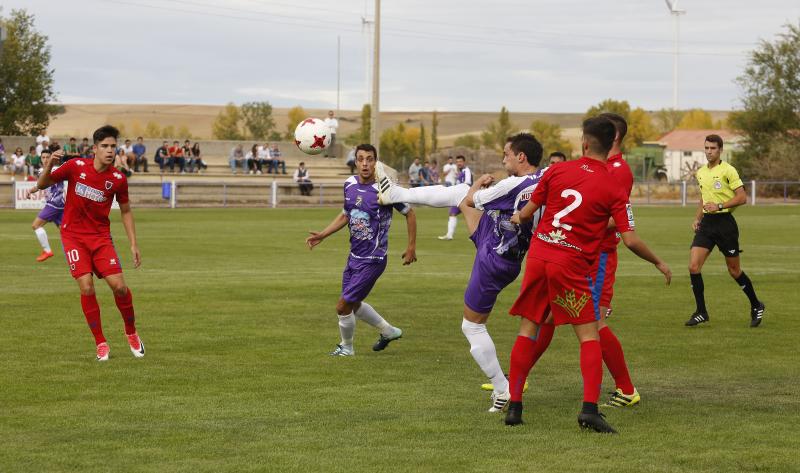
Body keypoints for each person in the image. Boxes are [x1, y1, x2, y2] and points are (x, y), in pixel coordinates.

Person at [504, 117, 671, 433]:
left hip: (540, 256)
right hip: (571, 262)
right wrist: (659, 262)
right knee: (589, 334)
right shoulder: (613, 184)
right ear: (611, 146)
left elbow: (527, 213)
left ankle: (514, 406)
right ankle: (589, 410)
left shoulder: (557, 170)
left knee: (529, 327)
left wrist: (517, 217)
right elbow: (630, 238)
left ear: (584, 143)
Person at [377, 133, 546, 412]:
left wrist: (478, 185)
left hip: (494, 256)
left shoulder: (513, 185)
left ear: (521, 157)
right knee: (458, 191)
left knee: (472, 326)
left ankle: (502, 389)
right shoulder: (542, 180)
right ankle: (395, 194)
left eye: (506, 154)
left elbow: (471, 201)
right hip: (505, 246)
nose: (503, 159)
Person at [35, 125, 144, 361]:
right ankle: (101, 343)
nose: (110, 150)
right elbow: (43, 184)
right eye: (104, 146)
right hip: (73, 236)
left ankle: (131, 332)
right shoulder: (76, 167)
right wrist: (48, 166)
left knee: (120, 288)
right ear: (94, 149)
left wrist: (133, 244)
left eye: (113, 146)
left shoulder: (117, 179)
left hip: (100, 238)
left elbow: (125, 211)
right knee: (86, 286)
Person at [306, 144, 417, 356]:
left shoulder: (385, 188)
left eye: (369, 159)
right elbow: (346, 215)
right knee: (353, 304)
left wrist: (411, 246)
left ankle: (346, 347)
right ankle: (389, 331)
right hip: (354, 256)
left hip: (374, 259)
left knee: (342, 306)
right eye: (361, 159)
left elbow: (410, 214)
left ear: (376, 162)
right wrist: (322, 234)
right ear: (355, 162)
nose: (365, 163)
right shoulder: (349, 184)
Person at [686, 134, 765, 327]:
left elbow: (742, 197)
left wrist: (720, 206)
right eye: (706, 148)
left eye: (712, 148)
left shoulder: (728, 170)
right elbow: (704, 199)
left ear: (720, 149)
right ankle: (701, 311)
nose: (709, 151)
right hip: (707, 224)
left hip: (725, 224)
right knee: (693, 267)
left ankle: (756, 304)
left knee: (734, 270)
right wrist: (698, 217)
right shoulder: (701, 172)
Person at [25, 147, 65, 262]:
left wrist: (61, 154)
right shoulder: (42, 171)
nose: (46, 159)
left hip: (54, 204)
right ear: (40, 159)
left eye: (48, 157)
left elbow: (39, 185)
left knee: (36, 225)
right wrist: (30, 191)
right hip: (60, 206)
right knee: (65, 232)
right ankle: (75, 252)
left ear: (52, 157)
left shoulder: (55, 169)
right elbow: (40, 185)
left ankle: (47, 251)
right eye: (43, 157)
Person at [439, 155, 472, 240]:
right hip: (459, 198)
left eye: (460, 162)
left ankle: (476, 235)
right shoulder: (460, 172)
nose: (459, 163)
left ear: (464, 162)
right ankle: (449, 235)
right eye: (457, 162)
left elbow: (467, 183)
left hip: (465, 197)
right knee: (452, 213)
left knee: (469, 217)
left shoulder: (466, 170)